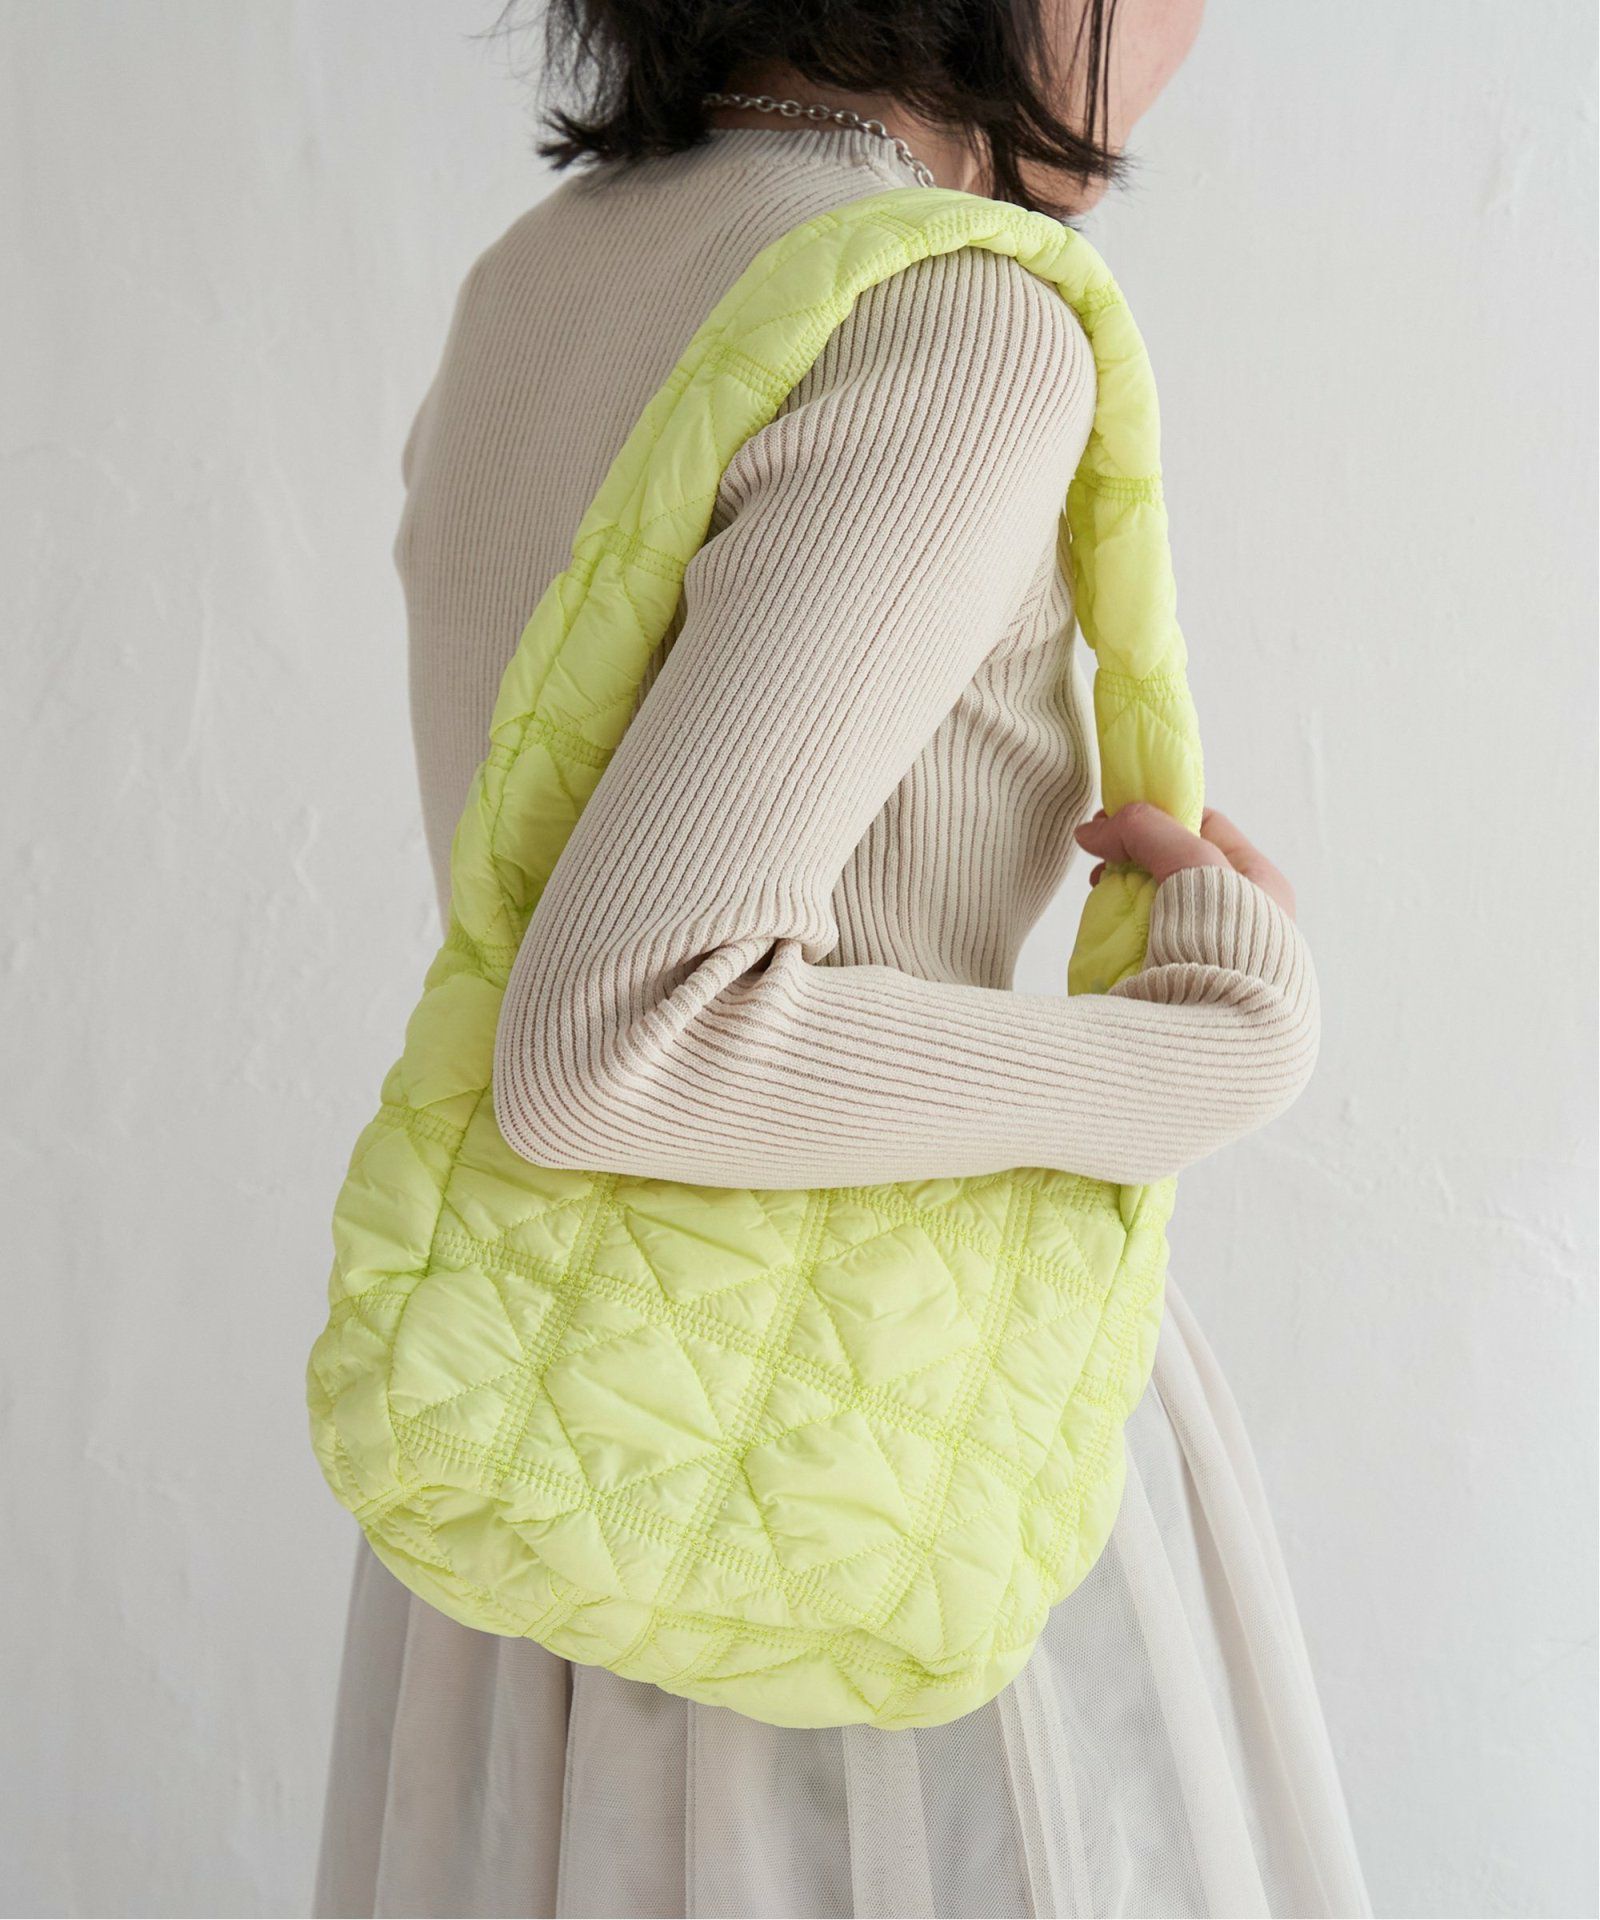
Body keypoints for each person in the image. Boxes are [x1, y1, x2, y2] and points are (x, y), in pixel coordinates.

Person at [314, 2, 1370, 1912]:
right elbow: (624, 1037)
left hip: (539, 1473)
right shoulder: (957, 320)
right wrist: (1205, 1051)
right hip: (862, 1467)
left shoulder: (540, 274)